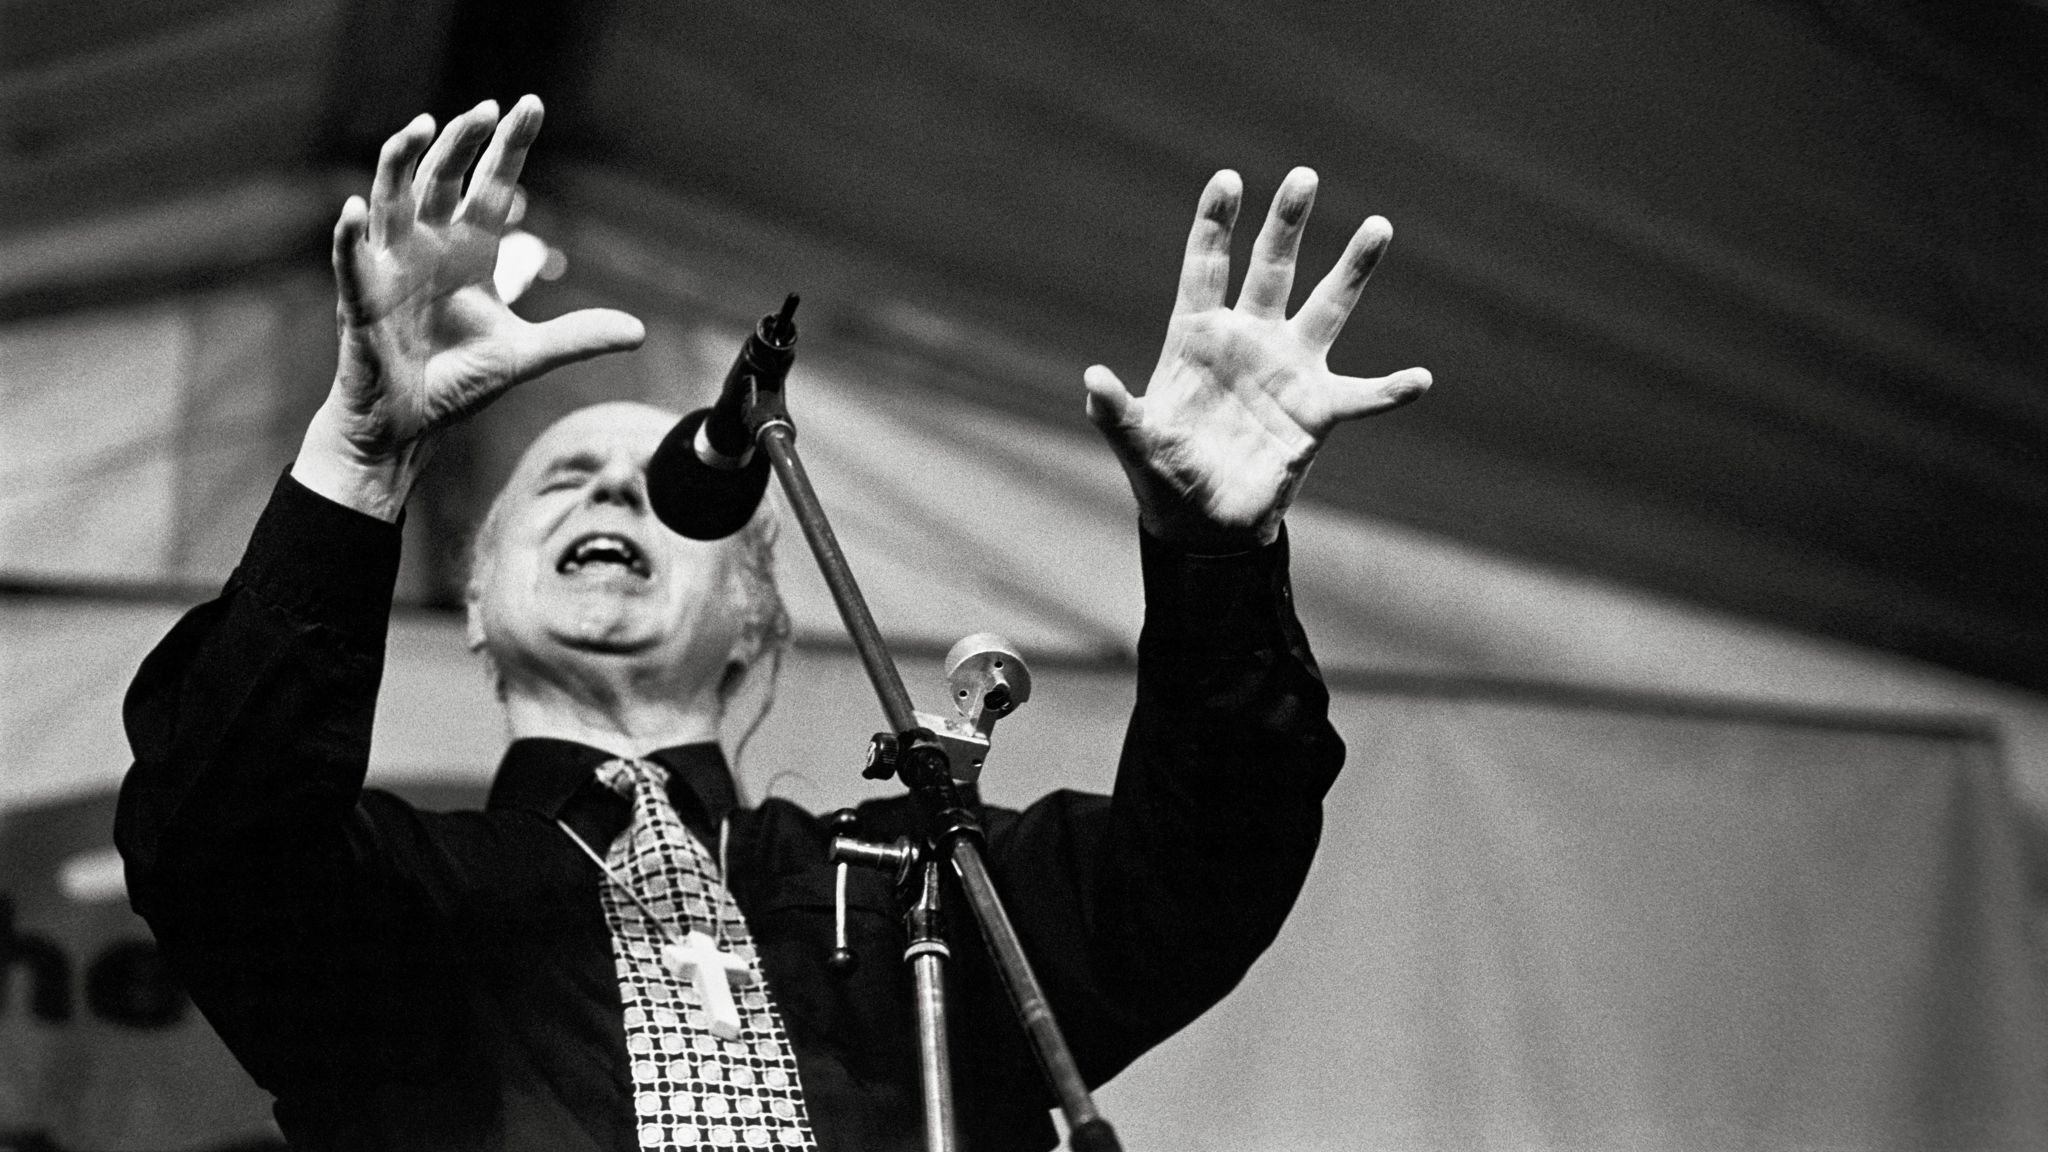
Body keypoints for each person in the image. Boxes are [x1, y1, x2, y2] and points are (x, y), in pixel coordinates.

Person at [116, 95, 1430, 1152]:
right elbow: (211, 834)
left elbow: (1204, 869)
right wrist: (359, 457)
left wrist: (1215, 559)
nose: (615, 491)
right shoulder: (398, 895)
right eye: (560, 480)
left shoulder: (920, 873)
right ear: (478, 603)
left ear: (755, 618)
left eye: (660, 488)